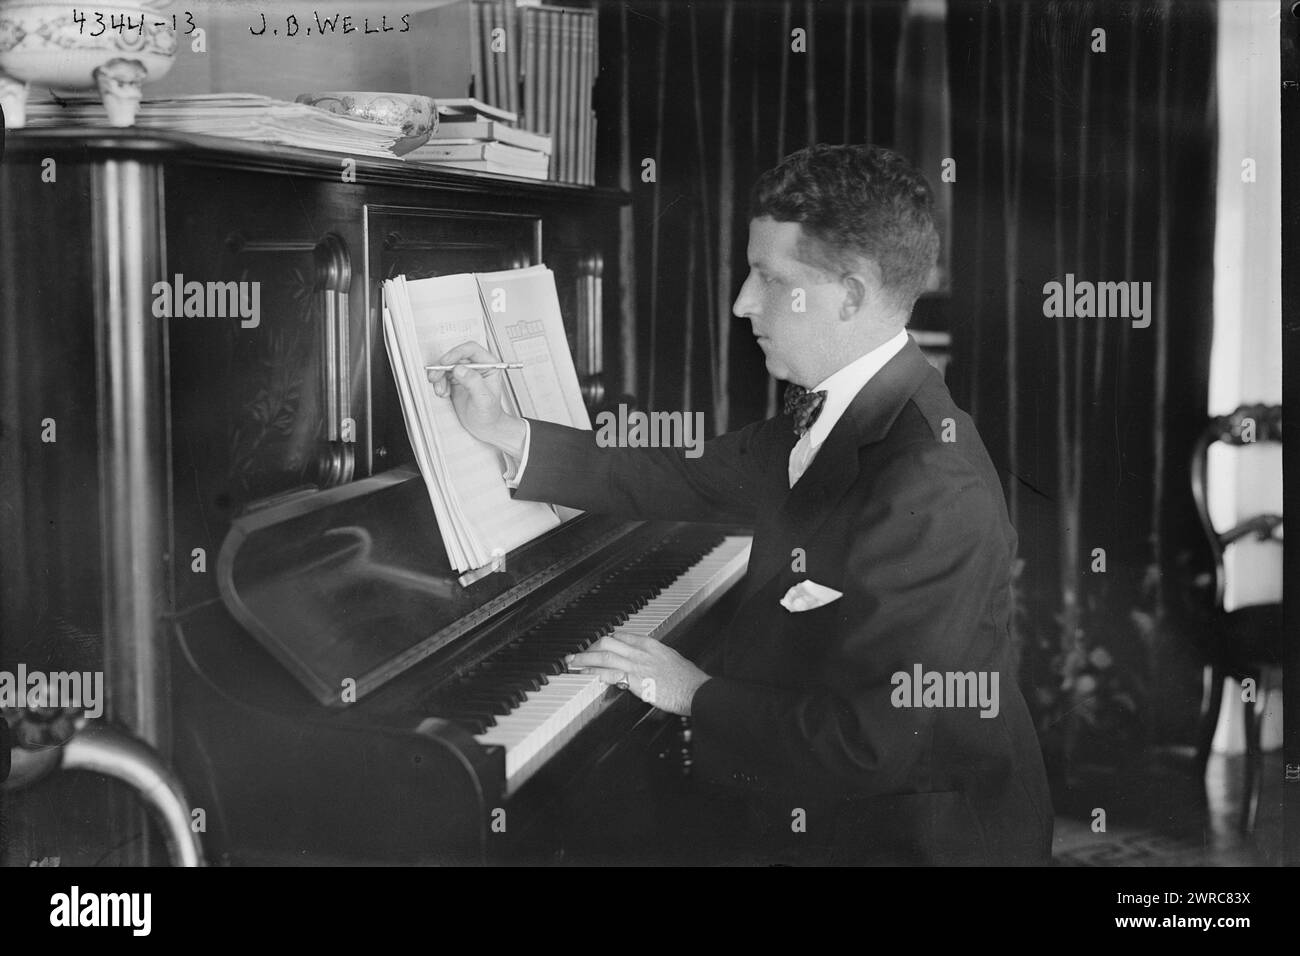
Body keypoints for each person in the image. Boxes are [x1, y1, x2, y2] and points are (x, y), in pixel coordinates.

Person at [429, 144, 1053, 865]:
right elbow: (681, 476)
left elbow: (866, 745)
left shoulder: (932, 484)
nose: (741, 303)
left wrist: (693, 692)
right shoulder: (847, 409)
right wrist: (504, 431)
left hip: (914, 842)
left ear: (851, 294)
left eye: (768, 277)